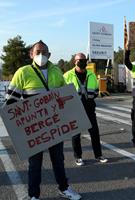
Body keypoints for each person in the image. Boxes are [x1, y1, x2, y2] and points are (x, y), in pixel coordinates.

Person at [6, 41, 81, 200]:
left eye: (44, 52)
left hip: (55, 125)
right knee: (35, 164)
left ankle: (64, 188)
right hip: (34, 128)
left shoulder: (56, 71)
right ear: (31, 54)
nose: (41, 55)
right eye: (38, 51)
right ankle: (34, 195)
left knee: (58, 160)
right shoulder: (23, 72)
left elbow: (65, 96)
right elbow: (10, 102)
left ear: (49, 54)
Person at [64, 53, 108, 166]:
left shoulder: (92, 75)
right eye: (80, 60)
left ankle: (99, 155)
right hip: (75, 109)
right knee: (76, 134)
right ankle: (78, 157)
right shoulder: (67, 75)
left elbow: (96, 90)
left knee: (94, 133)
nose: (83, 62)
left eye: (85, 60)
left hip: (89, 108)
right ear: (75, 61)